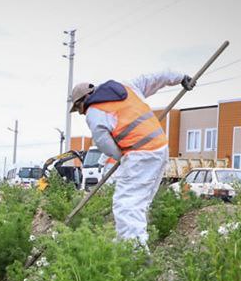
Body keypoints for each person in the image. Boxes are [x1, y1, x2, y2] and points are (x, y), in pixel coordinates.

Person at [70, 71, 194, 247]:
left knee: (126, 205)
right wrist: (181, 78)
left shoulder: (94, 112)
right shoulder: (126, 87)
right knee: (138, 203)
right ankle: (125, 243)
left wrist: (121, 157)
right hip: (160, 148)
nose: (81, 113)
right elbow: (155, 78)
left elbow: (104, 143)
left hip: (140, 155)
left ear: (84, 99)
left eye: (78, 108)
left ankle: (135, 254)